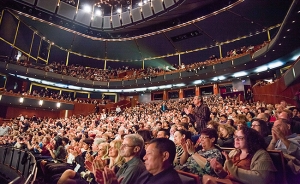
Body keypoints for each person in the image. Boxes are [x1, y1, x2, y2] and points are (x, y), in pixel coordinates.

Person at [203, 126, 276, 184]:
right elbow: (226, 175)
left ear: (250, 140)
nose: (236, 139)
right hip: (229, 182)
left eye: (240, 138)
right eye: (235, 137)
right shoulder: (233, 153)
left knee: (209, 180)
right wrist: (219, 170)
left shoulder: (261, 154)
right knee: (205, 178)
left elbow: (261, 179)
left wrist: (231, 167)